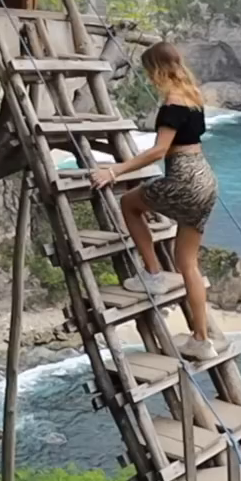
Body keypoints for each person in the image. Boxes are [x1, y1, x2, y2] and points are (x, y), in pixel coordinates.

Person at [89, 41, 221, 360]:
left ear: (157, 69)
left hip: (184, 178)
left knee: (130, 204)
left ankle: (152, 274)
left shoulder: (172, 103)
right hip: (206, 180)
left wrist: (115, 171)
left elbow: (159, 151)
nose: (149, 78)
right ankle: (202, 340)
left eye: (150, 71)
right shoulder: (193, 97)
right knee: (188, 263)